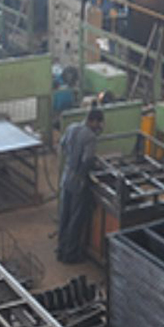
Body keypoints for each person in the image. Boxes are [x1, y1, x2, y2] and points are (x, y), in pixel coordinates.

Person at [57, 108, 104, 264]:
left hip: (66, 177)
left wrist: (72, 159)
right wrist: (91, 170)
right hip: (78, 182)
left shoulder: (72, 127)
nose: (100, 127)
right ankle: (70, 255)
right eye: (99, 123)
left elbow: (62, 145)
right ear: (93, 121)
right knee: (76, 218)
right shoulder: (90, 137)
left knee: (64, 215)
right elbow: (88, 160)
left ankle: (61, 249)